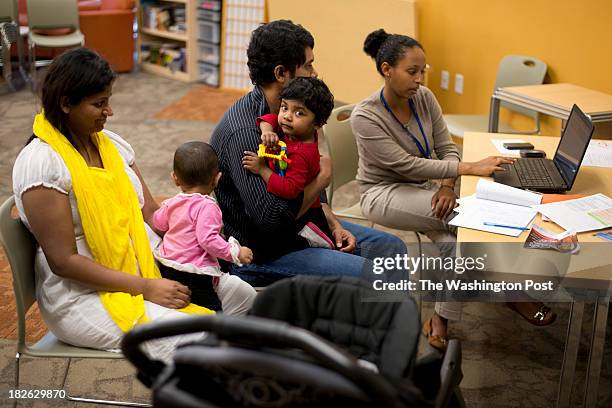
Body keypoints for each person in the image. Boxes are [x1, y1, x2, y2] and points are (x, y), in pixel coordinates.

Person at [351, 29, 557, 349]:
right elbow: (405, 165)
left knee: (453, 243)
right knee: (473, 222)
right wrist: (468, 169)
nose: (420, 79)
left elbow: (447, 148)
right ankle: (510, 291)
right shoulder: (366, 115)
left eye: (423, 71)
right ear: (386, 69)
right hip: (382, 192)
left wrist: (448, 186)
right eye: (412, 71)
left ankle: (439, 319)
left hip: (427, 187)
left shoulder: (425, 98)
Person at [12, 48, 211, 362]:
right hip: (81, 298)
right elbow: (63, 262)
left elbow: (151, 213)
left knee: (229, 302)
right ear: (66, 104)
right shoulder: (42, 165)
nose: (110, 111)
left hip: (144, 272)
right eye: (99, 103)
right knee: (203, 340)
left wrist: (197, 219)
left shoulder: (111, 145)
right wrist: (144, 286)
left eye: (108, 100)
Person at [210, 20, 408, 287]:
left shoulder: (296, 111)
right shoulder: (245, 133)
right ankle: (359, 325)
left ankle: (385, 326)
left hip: (301, 229)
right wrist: (321, 181)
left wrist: (334, 224)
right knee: (371, 275)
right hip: (263, 253)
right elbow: (270, 222)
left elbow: (308, 173)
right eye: (308, 65)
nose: (314, 73)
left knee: (391, 249)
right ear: (281, 73)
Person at [153, 141, 257, 315]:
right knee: (211, 311)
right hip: (195, 273)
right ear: (217, 178)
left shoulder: (172, 203)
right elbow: (207, 239)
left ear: (175, 178)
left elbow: (159, 223)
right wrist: (235, 252)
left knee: (183, 306)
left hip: (168, 266)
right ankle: (214, 337)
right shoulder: (207, 206)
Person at [243, 76, 335, 248]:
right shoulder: (297, 132)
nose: (287, 116)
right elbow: (269, 117)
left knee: (320, 245)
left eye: (299, 113)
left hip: (307, 218)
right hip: (305, 209)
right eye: (284, 107)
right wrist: (267, 130)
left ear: (318, 124)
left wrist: (262, 169)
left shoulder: (301, 154)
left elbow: (290, 189)